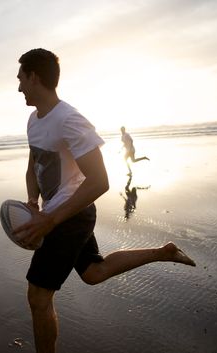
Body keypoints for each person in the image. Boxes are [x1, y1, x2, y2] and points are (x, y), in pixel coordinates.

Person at [13, 48, 196, 353]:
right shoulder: (34, 120)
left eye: (20, 79)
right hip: (57, 213)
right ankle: (163, 252)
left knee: (38, 296)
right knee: (93, 272)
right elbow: (33, 164)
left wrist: (51, 220)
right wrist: (33, 199)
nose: (18, 87)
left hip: (72, 216)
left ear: (34, 76)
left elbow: (100, 181)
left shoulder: (70, 120)